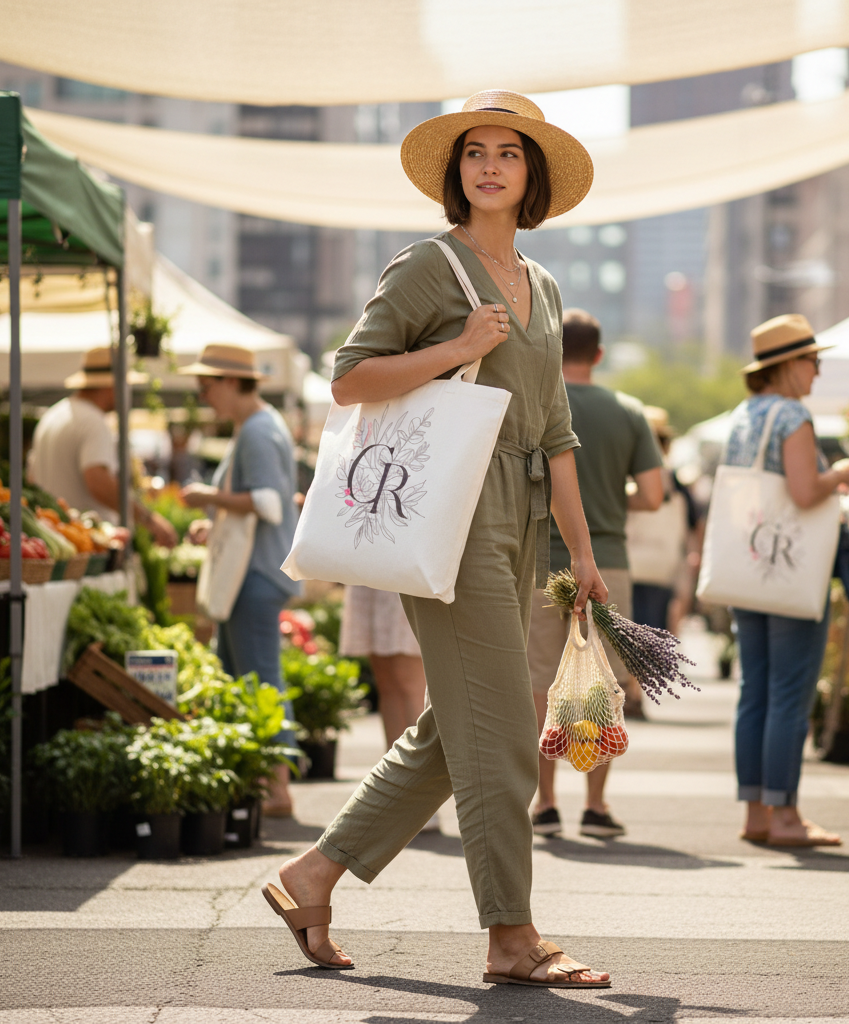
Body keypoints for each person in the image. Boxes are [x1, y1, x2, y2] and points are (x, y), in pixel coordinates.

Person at [267, 91, 611, 987]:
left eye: (508, 153)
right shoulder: (428, 266)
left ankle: (313, 874)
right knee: (502, 730)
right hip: (450, 513)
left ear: (530, 175)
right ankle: (510, 936)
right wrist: (454, 345)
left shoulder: (543, 285)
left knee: (457, 725)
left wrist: (581, 553)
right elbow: (348, 380)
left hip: (528, 519)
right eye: (474, 153)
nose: (490, 165)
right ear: (457, 173)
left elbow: (561, 434)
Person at [724, 314, 849, 847]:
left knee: (754, 690)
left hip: (749, 563)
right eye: (814, 361)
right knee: (789, 692)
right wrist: (845, 474)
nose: (818, 372)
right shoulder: (793, 416)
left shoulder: (746, 414)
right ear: (788, 366)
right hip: (790, 567)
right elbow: (806, 492)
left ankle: (756, 813)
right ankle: (786, 817)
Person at [527, 308, 662, 840]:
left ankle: (545, 803)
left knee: (540, 681)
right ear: (600, 356)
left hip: (539, 559)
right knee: (602, 683)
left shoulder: (538, 404)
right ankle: (596, 805)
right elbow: (653, 494)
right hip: (607, 560)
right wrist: (606, 498)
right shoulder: (629, 412)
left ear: (557, 353)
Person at [178, 343, 301, 818]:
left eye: (206, 386)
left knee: (258, 680)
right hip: (256, 572)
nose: (203, 395)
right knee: (242, 676)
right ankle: (265, 785)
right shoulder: (260, 427)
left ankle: (276, 790)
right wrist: (218, 518)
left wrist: (207, 496)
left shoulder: (256, 431)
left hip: (256, 575)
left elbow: (269, 503)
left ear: (232, 382)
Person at [28, 346, 178, 547]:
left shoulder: (53, 415)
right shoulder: (93, 422)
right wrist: (147, 518)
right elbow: (98, 481)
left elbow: (32, 477)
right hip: (86, 542)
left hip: (57, 537)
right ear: (111, 386)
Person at [338, 585, 440, 833]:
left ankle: (422, 799)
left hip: (405, 563)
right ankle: (394, 792)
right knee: (386, 681)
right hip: (373, 564)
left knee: (410, 680)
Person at [626, 406, 699, 635]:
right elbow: (694, 526)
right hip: (663, 569)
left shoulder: (625, 478)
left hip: (628, 565)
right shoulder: (677, 483)